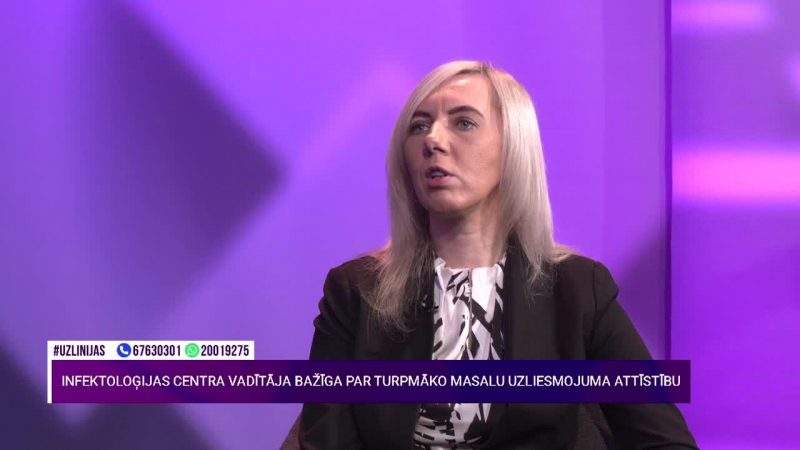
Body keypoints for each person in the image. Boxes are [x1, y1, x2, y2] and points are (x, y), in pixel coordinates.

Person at [297, 61, 697, 449]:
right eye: (418, 126)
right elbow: (325, 439)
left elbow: (665, 441)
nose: (433, 140)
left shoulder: (578, 289)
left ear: (512, 149)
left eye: (463, 123)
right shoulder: (355, 290)